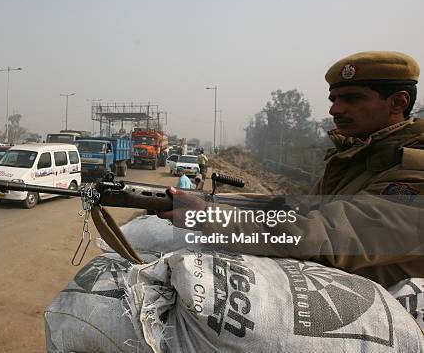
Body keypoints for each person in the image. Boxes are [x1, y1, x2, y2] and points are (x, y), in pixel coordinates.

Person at [159, 51, 424, 288]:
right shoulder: (356, 159)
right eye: (334, 99)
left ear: (398, 103)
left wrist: (208, 216)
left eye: (352, 99)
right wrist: (216, 203)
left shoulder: (414, 171)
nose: (335, 109)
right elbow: (300, 209)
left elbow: (322, 234)